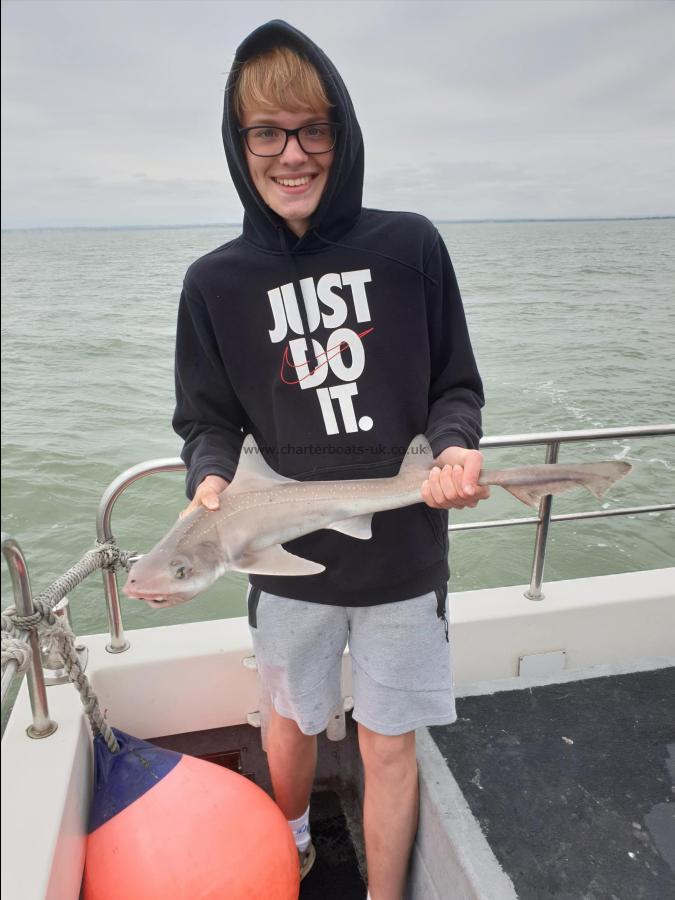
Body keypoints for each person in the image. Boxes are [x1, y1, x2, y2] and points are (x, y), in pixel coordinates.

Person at [173, 19, 488, 900]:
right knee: (288, 722)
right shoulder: (215, 283)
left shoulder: (409, 246)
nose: (292, 155)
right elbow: (206, 419)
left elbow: (453, 387)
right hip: (281, 561)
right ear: (241, 146)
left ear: (341, 135)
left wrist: (455, 447)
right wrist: (208, 472)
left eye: (313, 129)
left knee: (389, 743)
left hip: (401, 558)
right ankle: (295, 847)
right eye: (266, 133)